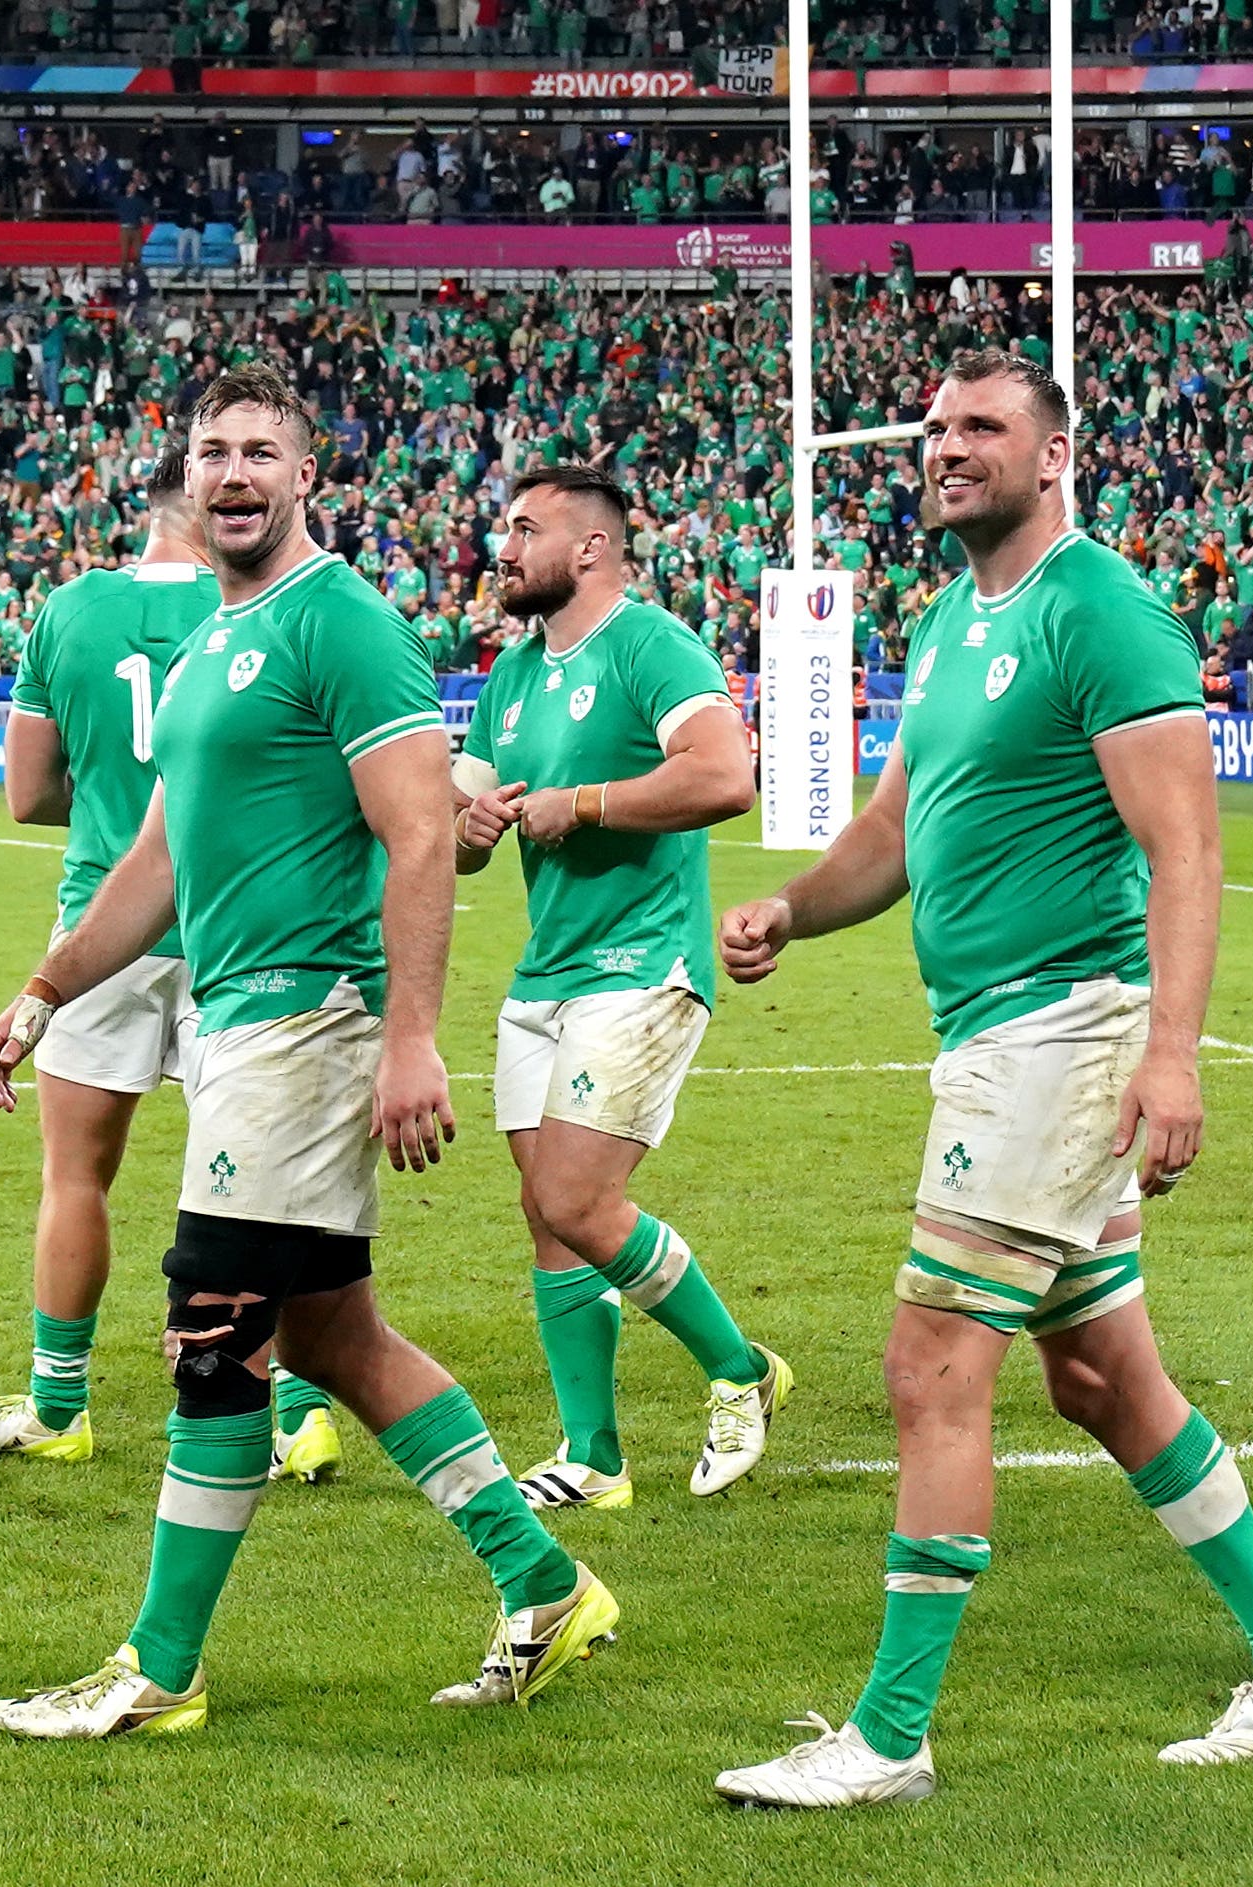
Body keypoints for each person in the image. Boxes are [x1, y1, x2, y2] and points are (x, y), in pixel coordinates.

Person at [710, 350, 1253, 1809]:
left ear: (1054, 455)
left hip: (1060, 1032)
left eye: (983, 428)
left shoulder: (1101, 609)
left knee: (930, 1367)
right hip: (999, 1029)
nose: (947, 448)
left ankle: (885, 1737)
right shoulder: (948, 618)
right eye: (937, 428)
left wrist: (1174, 1052)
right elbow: (891, 825)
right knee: (1098, 1374)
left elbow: (1185, 844)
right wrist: (790, 909)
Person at [0, 364, 614, 1739]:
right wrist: (43, 982)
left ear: (306, 476)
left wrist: (410, 1040)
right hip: (244, 1011)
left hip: (307, 1017)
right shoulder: (213, 637)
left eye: (262, 448)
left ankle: (156, 1664)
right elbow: (154, 859)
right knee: (330, 1330)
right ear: (186, 478)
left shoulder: (341, 621)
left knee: (214, 1329)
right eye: (211, 451)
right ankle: (543, 1580)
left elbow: (419, 828)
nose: (234, 471)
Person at [454, 462, 788, 1512]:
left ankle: (742, 1371)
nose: (500, 549)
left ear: (589, 548)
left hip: (642, 964)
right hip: (547, 970)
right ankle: (593, 1457)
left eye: (522, 529)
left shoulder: (652, 644)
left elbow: (726, 775)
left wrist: (588, 802)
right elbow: (466, 829)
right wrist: (464, 829)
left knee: (576, 1197)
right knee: (547, 1217)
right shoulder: (511, 676)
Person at [0, 452, 284, 1466]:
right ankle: (296, 1418)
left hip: (101, 924)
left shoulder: (68, 612)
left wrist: (107, 804)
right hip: (239, 924)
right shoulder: (263, 605)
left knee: (75, 1176)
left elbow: (25, 797)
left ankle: (58, 1412)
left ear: (137, 518)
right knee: (264, 1185)